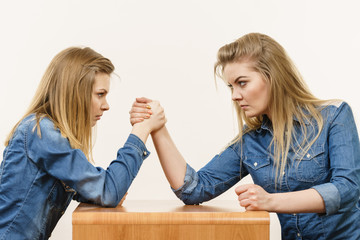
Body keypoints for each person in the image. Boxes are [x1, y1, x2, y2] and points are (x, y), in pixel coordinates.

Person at [130, 33, 360, 239]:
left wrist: (271, 201)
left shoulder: (334, 116)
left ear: (274, 77)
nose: (235, 96)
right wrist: (157, 126)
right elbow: (194, 189)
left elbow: (347, 189)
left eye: (242, 83)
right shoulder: (251, 141)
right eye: (231, 86)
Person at [0, 47, 166, 239]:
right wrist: (141, 130)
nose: (106, 105)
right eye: (100, 94)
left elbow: (102, 191)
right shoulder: (41, 132)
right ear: (74, 92)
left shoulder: (46, 132)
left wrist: (105, 192)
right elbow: (109, 190)